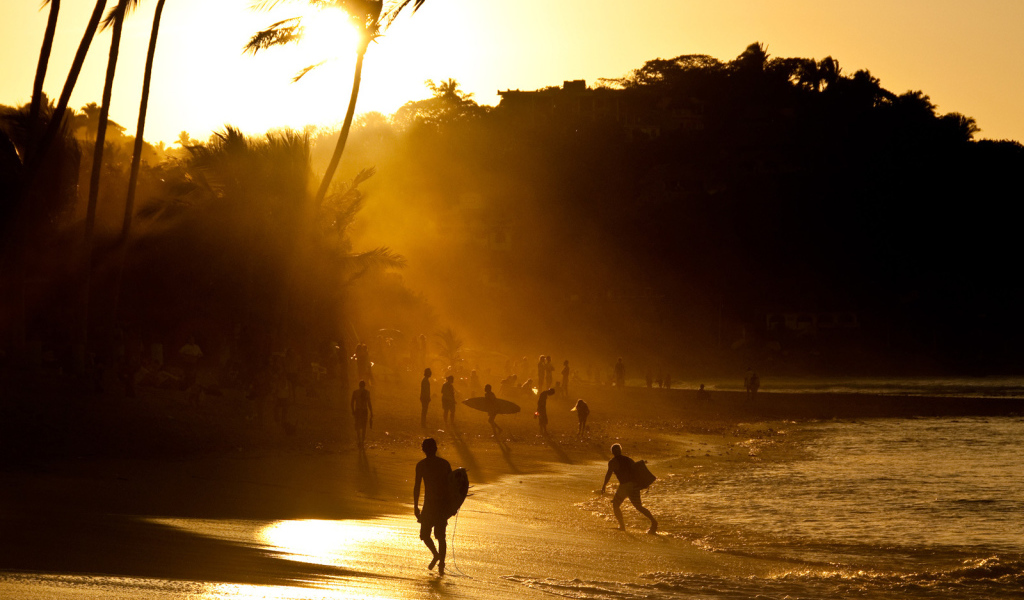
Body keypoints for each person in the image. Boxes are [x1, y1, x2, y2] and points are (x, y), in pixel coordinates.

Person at [413, 438, 452, 576]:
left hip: (430, 505)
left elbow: (417, 487)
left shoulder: (421, 465)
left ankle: (439, 559)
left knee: (426, 535)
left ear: (424, 449)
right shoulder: (444, 464)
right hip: (442, 505)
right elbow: (452, 486)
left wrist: (415, 506)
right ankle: (440, 561)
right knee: (440, 536)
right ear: (435, 448)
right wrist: (452, 506)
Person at [600, 443, 658, 534]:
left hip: (625, 486)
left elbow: (608, 474)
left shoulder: (612, 462)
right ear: (620, 450)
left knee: (615, 505)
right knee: (638, 506)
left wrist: (604, 486)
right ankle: (654, 522)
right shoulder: (628, 459)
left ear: (612, 452)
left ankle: (622, 526)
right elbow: (637, 471)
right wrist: (643, 483)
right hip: (634, 485)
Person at [351, 380, 373, 450]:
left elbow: (351, 402)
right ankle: (362, 441)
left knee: (357, 426)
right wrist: (371, 412)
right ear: (364, 385)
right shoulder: (367, 392)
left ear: (359, 385)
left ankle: (359, 440)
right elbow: (369, 403)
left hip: (357, 410)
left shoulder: (355, 392)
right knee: (364, 426)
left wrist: (353, 411)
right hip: (364, 411)